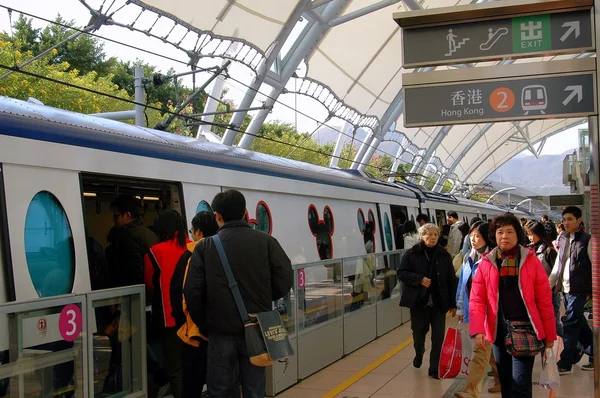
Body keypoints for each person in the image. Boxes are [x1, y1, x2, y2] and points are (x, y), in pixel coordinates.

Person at [184, 190, 293, 397]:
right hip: (257, 327)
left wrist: (206, 324)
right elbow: (285, 279)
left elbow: (192, 292)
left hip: (220, 332)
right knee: (254, 388)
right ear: (244, 212)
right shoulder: (266, 241)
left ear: (217, 216)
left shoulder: (205, 247)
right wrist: (263, 299)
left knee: (221, 390)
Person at [470, 213, 556, 398]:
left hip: (526, 330)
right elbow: (477, 299)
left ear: (518, 235)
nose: (505, 236)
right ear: (494, 236)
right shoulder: (487, 263)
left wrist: (549, 334)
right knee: (506, 382)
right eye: (500, 232)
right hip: (498, 330)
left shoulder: (531, 262)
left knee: (521, 384)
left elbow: (544, 301)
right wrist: (478, 330)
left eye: (510, 231)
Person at [398, 223, 457, 380]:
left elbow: (451, 279)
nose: (432, 237)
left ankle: (434, 368)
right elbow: (401, 273)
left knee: (438, 337)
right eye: (428, 234)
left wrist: (453, 303)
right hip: (419, 303)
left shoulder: (444, 255)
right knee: (418, 334)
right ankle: (419, 352)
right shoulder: (412, 254)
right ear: (422, 236)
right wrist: (419, 280)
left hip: (439, 303)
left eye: (435, 235)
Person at [143, 210, 192, 398]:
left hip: (170, 318)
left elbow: (149, 283)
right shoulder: (195, 247)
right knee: (193, 365)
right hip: (195, 318)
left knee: (175, 368)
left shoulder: (155, 252)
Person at [173, 211, 220, 398]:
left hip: (195, 335)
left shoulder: (189, 256)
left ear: (199, 232)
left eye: (192, 230)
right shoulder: (225, 253)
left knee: (191, 387)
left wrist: (200, 326)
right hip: (223, 333)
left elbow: (179, 293)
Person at [454, 221, 500, 397]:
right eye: (471, 236)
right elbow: (463, 285)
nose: (473, 239)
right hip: (473, 311)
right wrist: (460, 309)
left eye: (477, 236)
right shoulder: (468, 257)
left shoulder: (494, 258)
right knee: (488, 352)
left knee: (480, 350)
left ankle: (471, 391)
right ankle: (501, 380)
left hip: (489, 312)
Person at [549, 206, 594, 374]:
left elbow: (594, 265)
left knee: (570, 324)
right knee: (579, 323)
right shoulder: (563, 239)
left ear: (579, 220)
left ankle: (566, 362)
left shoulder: (587, 240)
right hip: (566, 289)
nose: (566, 223)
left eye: (570, 219)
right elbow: (558, 265)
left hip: (580, 289)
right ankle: (594, 353)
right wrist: (550, 284)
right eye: (564, 220)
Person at [526, 222, 560, 338]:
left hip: (549, 293)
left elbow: (556, 272)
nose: (530, 237)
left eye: (532, 234)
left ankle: (578, 347)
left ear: (540, 234)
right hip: (533, 293)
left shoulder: (549, 251)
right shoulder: (528, 250)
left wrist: (549, 287)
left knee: (553, 325)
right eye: (528, 234)